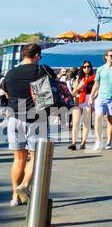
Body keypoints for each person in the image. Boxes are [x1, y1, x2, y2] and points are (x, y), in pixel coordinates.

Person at [1, 43, 67, 205]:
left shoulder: (10, 73)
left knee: (18, 159)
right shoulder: (39, 71)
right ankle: (24, 186)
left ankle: (14, 197)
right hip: (37, 119)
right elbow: (44, 99)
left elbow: (7, 94)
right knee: (35, 157)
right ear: (36, 55)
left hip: (14, 118)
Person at [68, 62, 96, 150]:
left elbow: (97, 91)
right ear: (82, 68)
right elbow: (73, 93)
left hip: (89, 100)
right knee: (75, 123)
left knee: (86, 123)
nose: (87, 68)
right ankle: (73, 143)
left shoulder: (94, 78)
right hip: (78, 100)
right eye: (85, 67)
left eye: (89, 67)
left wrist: (93, 98)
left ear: (91, 68)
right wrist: (79, 87)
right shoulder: (79, 79)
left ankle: (83, 142)